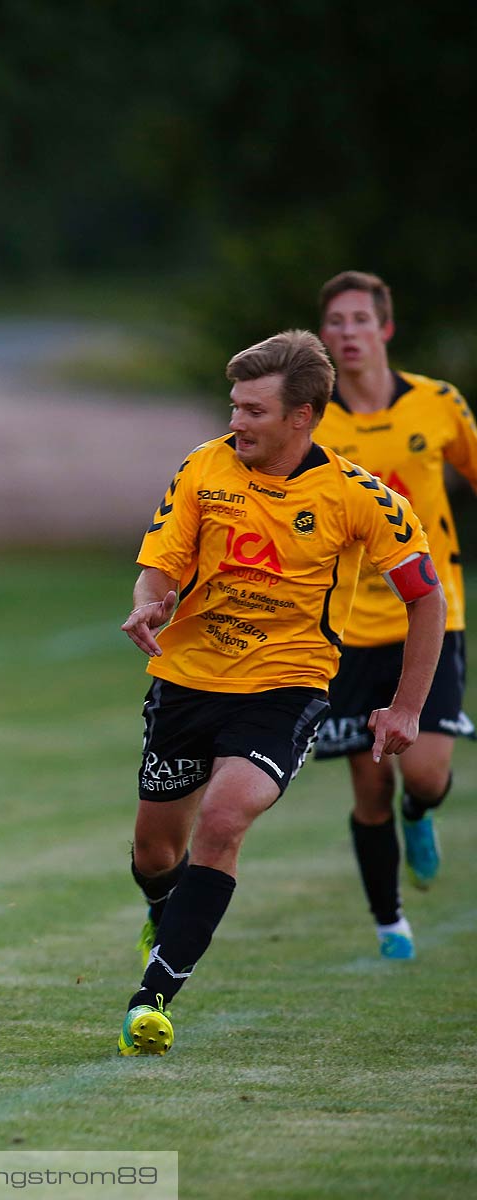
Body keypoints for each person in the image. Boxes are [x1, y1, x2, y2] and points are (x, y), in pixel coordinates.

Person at [117, 330, 444, 1057]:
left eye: (254, 411)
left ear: (303, 416)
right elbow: (159, 562)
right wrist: (152, 601)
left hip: (286, 688)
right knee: (152, 852)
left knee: (225, 819)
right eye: (234, 406)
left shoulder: (359, 497)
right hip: (185, 682)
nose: (236, 423)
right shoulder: (204, 467)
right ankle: (161, 908)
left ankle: (153, 996)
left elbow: (428, 598)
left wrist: (408, 705)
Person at [312, 271, 475, 959]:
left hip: (433, 617)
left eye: (358, 320)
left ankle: (422, 815)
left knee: (426, 773)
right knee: (370, 780)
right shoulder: (312, 417)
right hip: (349, 627)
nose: (346, 333)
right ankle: (390, 923)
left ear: (385, 328)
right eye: (335, 322)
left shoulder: (437, 404)